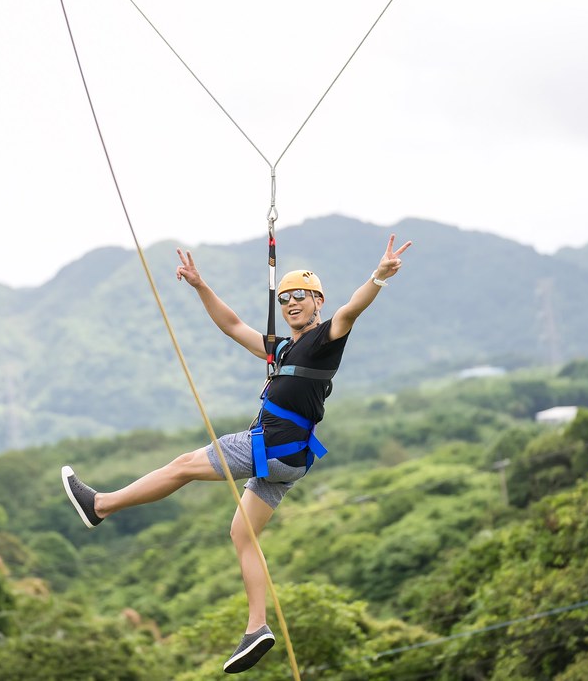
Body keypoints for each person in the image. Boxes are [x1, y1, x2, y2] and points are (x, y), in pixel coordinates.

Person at [61, 234, 412, 673]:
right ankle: (256, 628)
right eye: (285, 298)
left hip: (273, 447)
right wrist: (200, 285)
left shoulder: (326, 337)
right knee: (242, 535)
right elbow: (231, 325)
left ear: (318, 301)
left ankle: (101, 505)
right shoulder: (281, 349)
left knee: (184, 465)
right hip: (288, 463)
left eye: (300, 296)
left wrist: (378, 276)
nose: (291, 303)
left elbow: (352, 310)